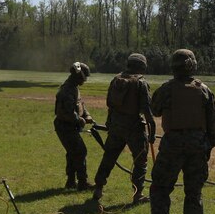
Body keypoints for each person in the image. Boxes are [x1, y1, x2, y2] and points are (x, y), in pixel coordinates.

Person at [140, 49, 215, 214]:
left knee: (160, 187)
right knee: (194, 190)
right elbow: (213, 122)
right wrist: (209, 146)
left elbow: (155, 109)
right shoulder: (204, 90)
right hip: (197, 144)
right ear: (192, 65)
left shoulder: (167, 89)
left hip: (172, 143)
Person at [93, 53, 156, 205]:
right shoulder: (140, 83)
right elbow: (147, 111)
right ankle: (138, 194)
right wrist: (152, 132)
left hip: (116, 125)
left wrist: (110, 123)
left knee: (109, 157)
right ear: (142, 66)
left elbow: (110, 104)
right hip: (134, 128)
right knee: (140, 161)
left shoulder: (116, 80)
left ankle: (98, 188)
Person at [54, 62, 95, 190]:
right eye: (84, 77)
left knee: (73, 153)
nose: (85, 79)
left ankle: (71, 182)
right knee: (80, 151)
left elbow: (80, 104)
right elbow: (67, 112)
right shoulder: (67, 90)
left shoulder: (74, 87)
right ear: (79, 75)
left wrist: (87, 115)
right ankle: (82, 183)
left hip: (70, 126)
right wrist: (80, 120)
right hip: (65, 126)